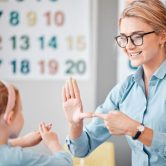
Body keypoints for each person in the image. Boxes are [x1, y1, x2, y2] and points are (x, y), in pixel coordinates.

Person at [62, 0, 166, 165]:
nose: (129, 46)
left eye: (137, 37)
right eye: (124, 38)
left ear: (162, 36)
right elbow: (82, 149)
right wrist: (74, 124)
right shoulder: (125, 90)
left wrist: (136, 130)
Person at [0, 81, 72, 166]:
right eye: (20, 110)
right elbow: (65, 163)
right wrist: (53, 143)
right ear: (10, 118)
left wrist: (23, 141)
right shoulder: (18, 158)